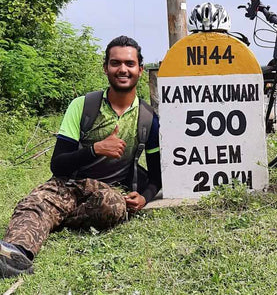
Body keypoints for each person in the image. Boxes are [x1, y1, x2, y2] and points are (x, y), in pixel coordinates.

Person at [0, 36, 161, 278]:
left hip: (106, 192)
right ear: (105, 67)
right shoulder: (83, 106)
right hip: (68, 185)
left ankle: (54, 219)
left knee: (114, 206)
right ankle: (13, 255)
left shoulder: (149, 119)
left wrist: (145, 198)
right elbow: (58, 164)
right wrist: (95, 149)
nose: (123, 69)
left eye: (129, 63)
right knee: (37, 204)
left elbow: (158, 175)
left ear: (140, 68)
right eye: (115, 63)